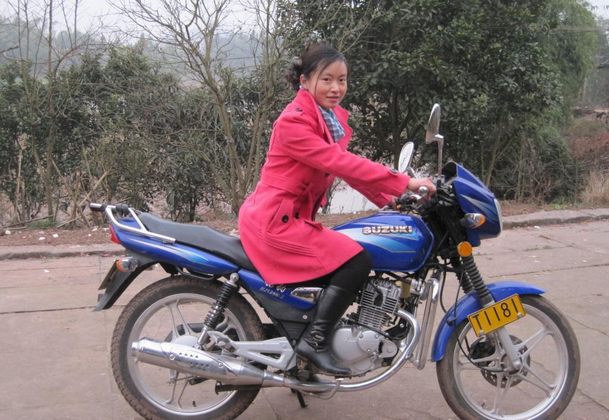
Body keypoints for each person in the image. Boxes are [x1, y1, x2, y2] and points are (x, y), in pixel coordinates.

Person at [238, 42, 435, 376]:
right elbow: (339, 161)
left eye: (342, 80)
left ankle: (306, 348)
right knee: (356, 259)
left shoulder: (326, 120)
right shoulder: (295, 122)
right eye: (326, 79)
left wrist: (390, 199)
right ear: (305, 80)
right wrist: (404, 182)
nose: (336, 88)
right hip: (274, 223)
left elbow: (345, 169)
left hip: (286, 218)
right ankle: (314, 342)